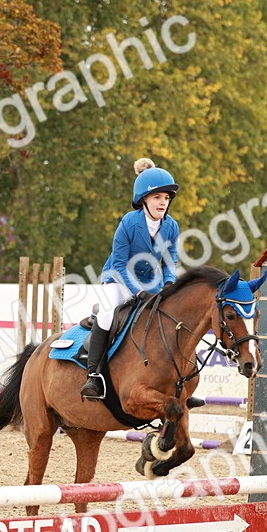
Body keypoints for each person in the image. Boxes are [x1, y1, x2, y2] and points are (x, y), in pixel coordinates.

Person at [81, 157, 181, 400]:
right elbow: (118, 263)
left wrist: (168, 285)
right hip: (118, 278)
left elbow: (170, 262)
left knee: (171, 318)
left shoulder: (171, 227)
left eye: (166, 198)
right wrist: (137, 292)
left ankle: (177, 381)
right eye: (157, 197)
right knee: (108, 313)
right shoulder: (129, 222)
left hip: (153, 283)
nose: (163, 202)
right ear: (144, 199)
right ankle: (93, 376)